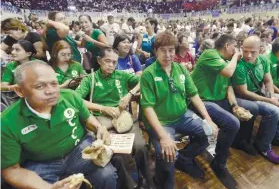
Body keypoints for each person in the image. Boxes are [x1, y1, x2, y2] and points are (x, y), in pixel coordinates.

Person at [1, 60, 117, 189]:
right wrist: (46, 187)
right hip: (40, 162)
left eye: (54, 84)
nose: (51, 91)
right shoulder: (7, 122)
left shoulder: (70, 97)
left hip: (78, 150)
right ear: (19, 91)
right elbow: (11, 170)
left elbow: (87, 118)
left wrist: (98, 127)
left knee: (107, 176)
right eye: (40, 86)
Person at [140, 31, 218, 189]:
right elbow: (147, 108)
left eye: (171, 50)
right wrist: (163, 137)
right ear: (156, 51)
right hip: (161, 123)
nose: (168, 55)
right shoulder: (148, 74)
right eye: (163, 50)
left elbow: (194, 95)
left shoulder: (180, 70)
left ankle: (184, 158)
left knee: (210, 132)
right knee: (168, 156)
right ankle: (162, 182)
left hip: (183, 116)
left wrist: (208, 119)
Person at [75, 48, 155, 189]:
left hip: (123, 118)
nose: (111, 65)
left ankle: (148, 181)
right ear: (99, 61)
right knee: (119, 155)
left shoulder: (122, 76)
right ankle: (132, 185)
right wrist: (102, 108)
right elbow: (77, 100)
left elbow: (144, 80)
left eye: (114, 62)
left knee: (141, 147)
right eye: (107, 61)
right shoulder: (91, 78)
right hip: (102, 120)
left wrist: (130, 93)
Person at [191, 34, 244, 189]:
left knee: (240, 115)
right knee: (232, 123)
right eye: (235, 47)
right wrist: (236, 57)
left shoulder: (226, 61)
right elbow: (227, 72)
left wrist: (235, 106)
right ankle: (219, 164)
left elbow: (229, 88)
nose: (236, 50)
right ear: (227, 46)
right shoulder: (210, 54)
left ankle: (228, 147)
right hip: (199, 100)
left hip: (216, 100)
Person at [232, 36, 279, 149]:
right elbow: (244, 92)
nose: (248, 55)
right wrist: (269, 100)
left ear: (260, 49)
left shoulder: (263, 60)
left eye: (253, 52)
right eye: (245, 51)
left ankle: (274, 135)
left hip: (259, 93)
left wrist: (272, 95)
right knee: (274, 111)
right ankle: (263, 146)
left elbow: (268, 80)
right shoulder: (239, 65)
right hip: (244, 97)